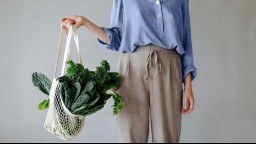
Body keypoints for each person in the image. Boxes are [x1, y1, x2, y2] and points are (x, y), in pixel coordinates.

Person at [61, 0, 197, 143]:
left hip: (169, 66)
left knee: (167, 137)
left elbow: (186, 42)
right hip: (131, 66)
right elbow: (116, 39)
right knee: (130, 136)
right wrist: (85, 22)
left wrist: (188, 85)